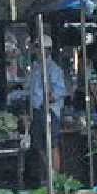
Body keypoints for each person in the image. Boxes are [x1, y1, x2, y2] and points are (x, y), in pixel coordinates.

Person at [28, 35, 66, 175]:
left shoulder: (53, 69)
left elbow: (59, 91)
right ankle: (48, 173)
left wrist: (46, 101)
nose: (36, 51)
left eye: (38, 48)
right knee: (38, 144)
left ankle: (55, 177)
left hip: (49, 111)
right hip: (37, 111)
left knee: (52, 144)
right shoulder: (36, 67)